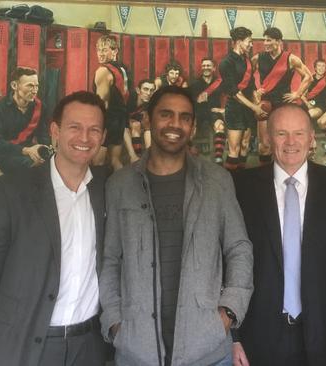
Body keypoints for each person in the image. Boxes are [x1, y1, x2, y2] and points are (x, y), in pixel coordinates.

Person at [0, 91, 110, 366]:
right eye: (75, 127)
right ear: (54, 131)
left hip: (89, 348)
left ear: (103, 137)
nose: (84, 138)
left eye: (93, 129)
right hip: (25, 347)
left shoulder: (108, 191)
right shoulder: (8, 193)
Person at [99, 85, 253, 366]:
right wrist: (114, 323)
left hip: (208, 351)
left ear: (192, 127)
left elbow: (239, 248)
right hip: (136, 352)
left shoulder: (217, 181)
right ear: (147, 120)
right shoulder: (119, 185)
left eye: (185, 118)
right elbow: (110, 259)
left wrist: (228, 312)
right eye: (166, 115)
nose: (175, 125)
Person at [232, 104, 326, 366]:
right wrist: (233, 336)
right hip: (257, 339)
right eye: (282, 133)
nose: (291, 142)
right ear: (268, 139)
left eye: (299, 133)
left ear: (311, 138)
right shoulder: (240, 187)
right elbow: (227, 261)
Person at [251, 27, 313, 164]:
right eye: (264, 40)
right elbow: (246, 79)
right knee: (264, 146)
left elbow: (308, 77)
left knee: (286, 143)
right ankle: (265, 177)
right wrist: (256, 91)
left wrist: (297, 94)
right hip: (265, 103)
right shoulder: (257, 58)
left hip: (284, 104)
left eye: (269, 40)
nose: (265, 43)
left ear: (278, 41)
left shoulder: (291, 59)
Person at [0, 67, 51, 174]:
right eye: (30, 86)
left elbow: (43, 136)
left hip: (32, 153)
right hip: (7, 156)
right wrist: (25, 150)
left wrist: (45, 149)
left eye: (36, 86)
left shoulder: (40, 107)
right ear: (14, 86)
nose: (35, 91)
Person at [219, 26, 265, 172]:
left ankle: (242, 176)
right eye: (249, 42)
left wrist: (257, 100)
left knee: (245, 145)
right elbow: (235, 93)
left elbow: (250, 86)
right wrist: (254, 107)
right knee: (234, 149)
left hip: (248, 107)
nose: (251, 45)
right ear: (239, 42)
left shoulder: (247, 60)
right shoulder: (226, 63)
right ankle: (232, 181)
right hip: (234, 108)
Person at [94, 35, 130, 171]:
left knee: (97, 164)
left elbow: (101, 102)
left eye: (104, 50)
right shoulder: (122, 70)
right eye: (98, 50)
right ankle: (120, 190)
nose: (100, 54)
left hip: (107, 121)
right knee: (115, 161)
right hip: (120, 120)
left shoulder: (103, 71)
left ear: (115, 51)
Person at [190, 57, 226, 164]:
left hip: (213, 112)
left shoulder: (220, 83)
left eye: (208, 65)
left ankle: (218, 158)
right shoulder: (195, 83)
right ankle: (189, 156)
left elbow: (228, 97)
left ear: (214, 68)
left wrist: (223, 109)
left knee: (220, 127)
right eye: (204, 66)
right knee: (190, 129)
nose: (206, 68)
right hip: (198, 112)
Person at [124, 79, 155, 162]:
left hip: (137, 124)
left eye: (151, 90)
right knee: (135, 125)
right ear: (138, 90)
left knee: (146, 125)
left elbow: (147, 126)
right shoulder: (129, 99)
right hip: (123, 125)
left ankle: (149, 156)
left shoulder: (151, 103)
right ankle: (136, 155)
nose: (148, 93)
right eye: (145, 89)